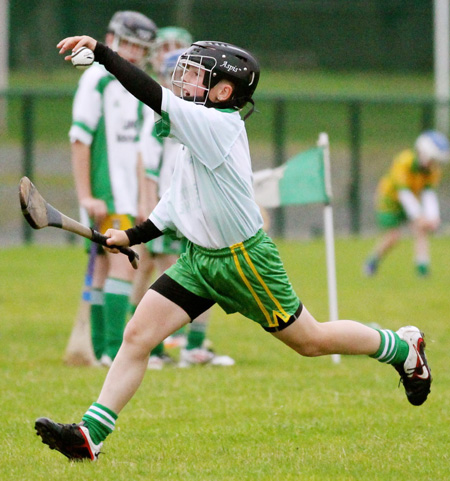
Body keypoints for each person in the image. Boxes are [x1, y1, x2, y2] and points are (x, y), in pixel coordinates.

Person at [35, 34, 432, 462]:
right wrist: (132, 236)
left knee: (311, 341)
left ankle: (402, 348)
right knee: (137, 336)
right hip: (199, 262)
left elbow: (151, 94)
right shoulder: (197, 135)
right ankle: (89, 437)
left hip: (244, 262)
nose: (183, 80)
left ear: (223, 91)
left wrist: (105, 55)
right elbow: (177, 200)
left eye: (195, 74)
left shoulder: (217, 124)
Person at [131, 30, 234, 369]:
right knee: (168, 280)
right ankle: (156, 349)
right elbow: (146, 165)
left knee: (200, 279)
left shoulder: (204, 118)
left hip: (194, 212)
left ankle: (191, 346)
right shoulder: (163, 117)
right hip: (168, 209)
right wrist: (147, 204)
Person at [69, 11, 157, 366]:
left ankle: (100, 351)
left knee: (108, 270)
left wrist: (142, 196)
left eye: (141, 48)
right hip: (106, 192)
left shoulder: (136, 83)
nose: (134, 54)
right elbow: (80, 139)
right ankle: (110, 351)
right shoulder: (96, 80)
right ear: (113, 38)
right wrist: (86, 194)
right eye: (129, 45)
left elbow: (139, 149)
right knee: (121, 268)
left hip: (129, 193)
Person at [364, 130, 449, 277]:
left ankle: (422, 269)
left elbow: (428, 193)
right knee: (393, 236)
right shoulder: (404, 161)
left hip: (411, 198)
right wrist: (418, 216)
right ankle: (372, 262)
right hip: (390, 199)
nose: (434, 164)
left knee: (420, 230)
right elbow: (404, 193)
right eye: (433, 159)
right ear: (424, 153)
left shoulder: (433, 170)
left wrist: (433, 217)